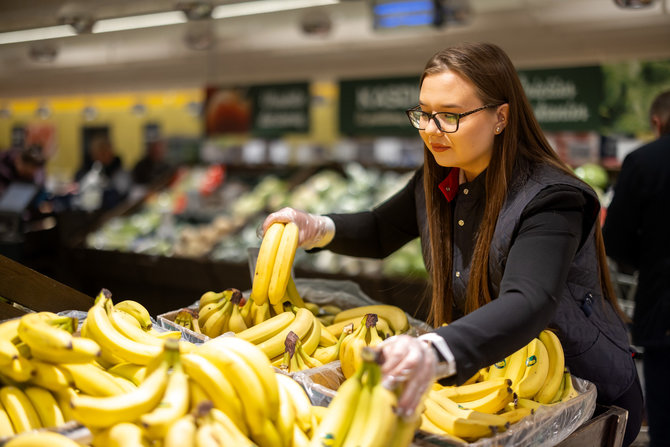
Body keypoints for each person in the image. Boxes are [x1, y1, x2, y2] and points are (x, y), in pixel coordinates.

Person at [262, 42, 643, 446]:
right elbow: (379, 230)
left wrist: (436, 351)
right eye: (424, 114)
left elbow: (530, 298)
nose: (431, 129)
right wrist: (316, 227)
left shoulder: (551, 199)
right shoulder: (440, 179)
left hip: (586, 402)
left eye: (450, 116)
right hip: (498, 388)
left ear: (500, 117)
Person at [603, 90, 670, 447]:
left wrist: (648, 261)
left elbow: (614, 239)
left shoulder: (645, 161)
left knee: (665, 414)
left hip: (663, 305)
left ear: (657, 122)